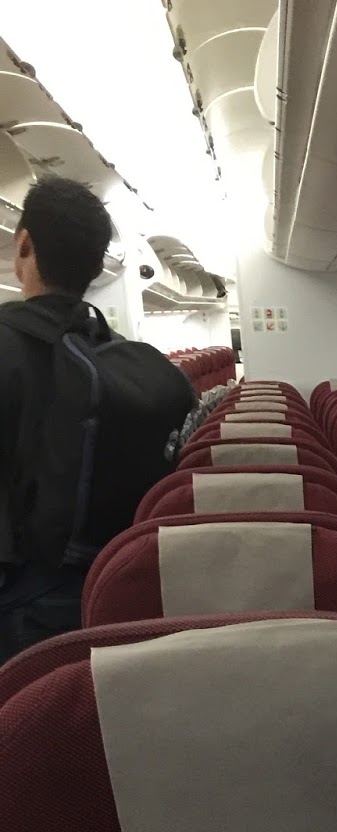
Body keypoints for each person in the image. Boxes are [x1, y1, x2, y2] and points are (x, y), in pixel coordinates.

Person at [0, 177, 195, 664]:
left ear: (24, 245)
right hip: (118, 580)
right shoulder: (110, 349)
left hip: (22, 594)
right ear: (95, 265)